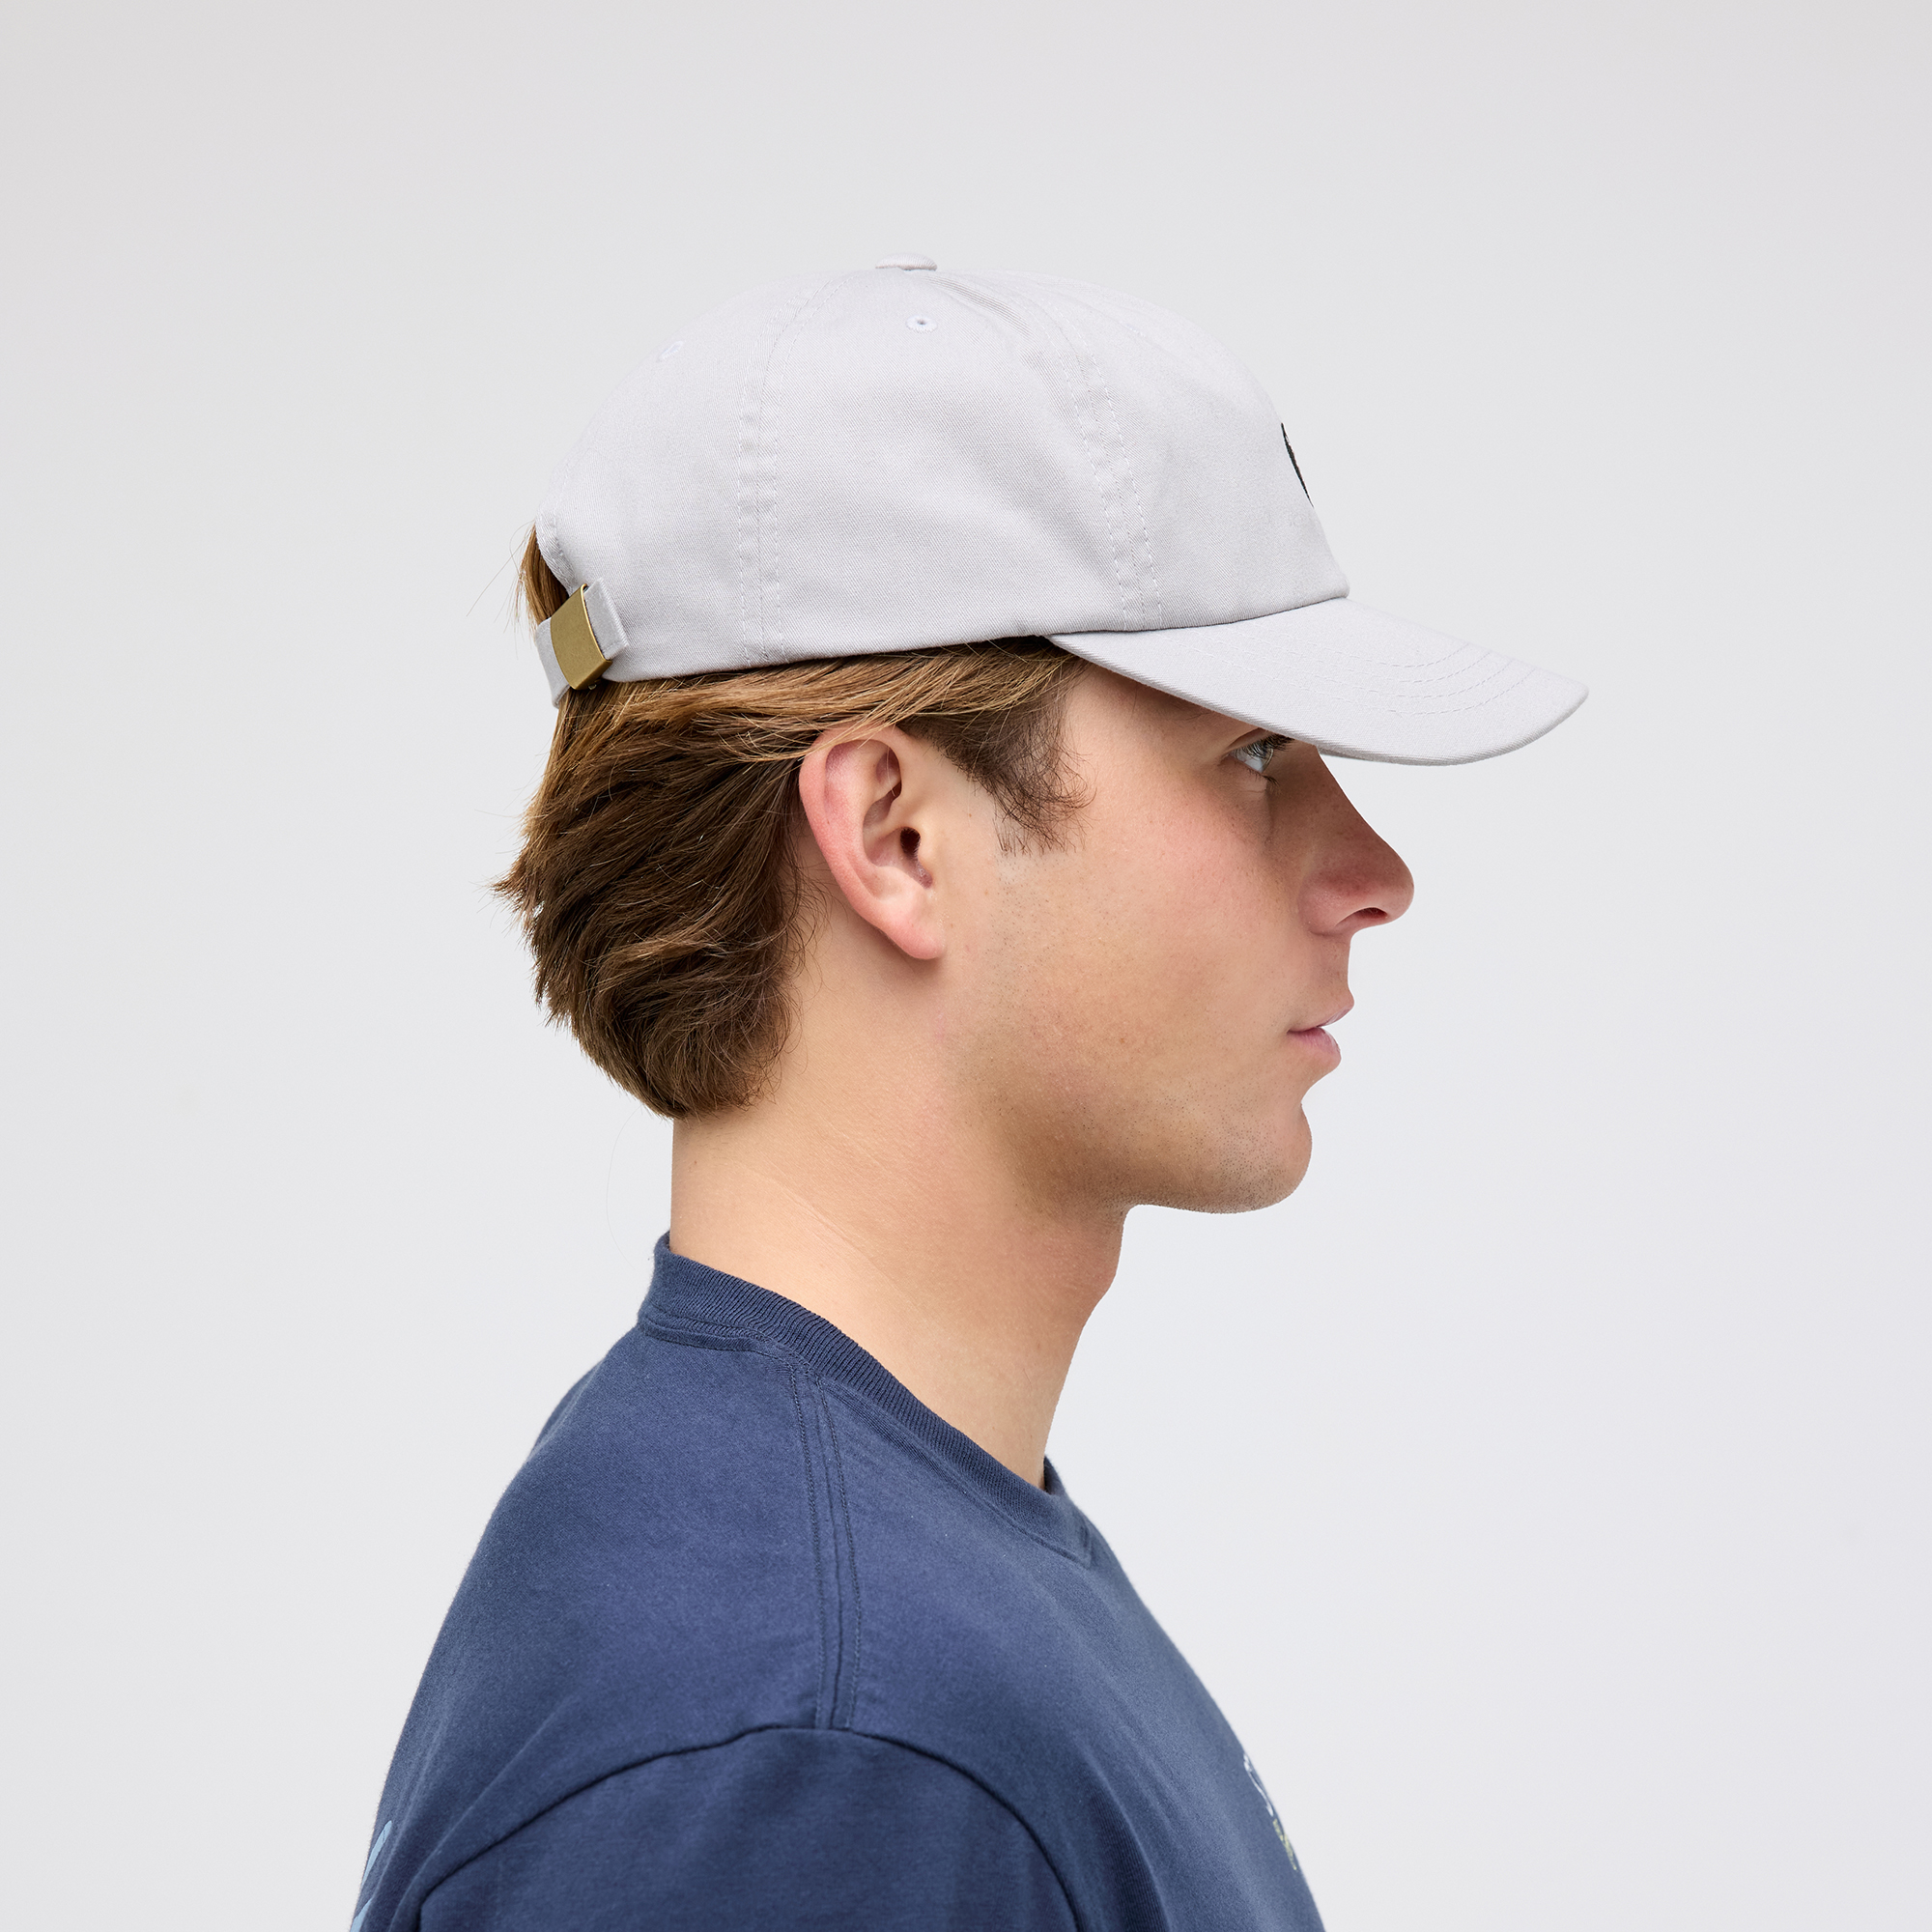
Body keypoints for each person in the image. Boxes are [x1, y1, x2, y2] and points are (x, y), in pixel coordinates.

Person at [350, 256, 1584, 1931]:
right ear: (896, 837)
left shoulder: (862, 1602)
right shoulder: (818, 1740)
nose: (1376, 874)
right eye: (1251, 753)